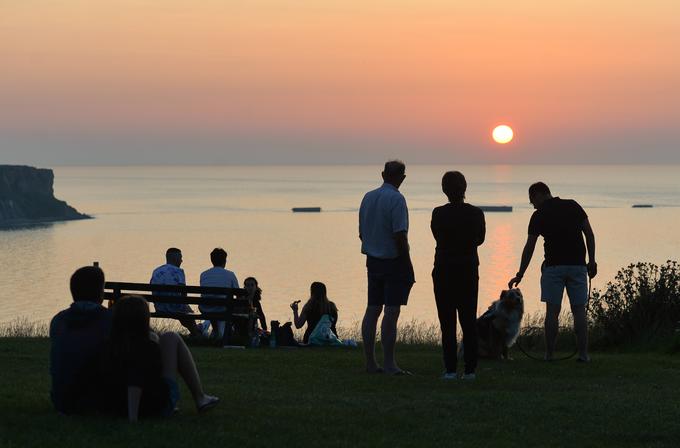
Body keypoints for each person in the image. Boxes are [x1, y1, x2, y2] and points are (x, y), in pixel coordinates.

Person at [508, 182, 597, 362]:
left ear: (539, 194)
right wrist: (592, 261)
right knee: (579, 310)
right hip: (578, 266)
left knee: (552, 312)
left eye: (532, 200)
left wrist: (520, 274)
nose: (532, 205)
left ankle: (549, 355)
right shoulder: (573, 205)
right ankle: (583, 355)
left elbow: (529, 247)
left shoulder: (539, 215)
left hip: (553, 268)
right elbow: (589, 234)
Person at [103, 295, 219, 422]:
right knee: (171, 337)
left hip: (116, 404)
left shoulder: (109, 346)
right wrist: (133, 418)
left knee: (167, 338)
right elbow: (134, 379)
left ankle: (200, 398)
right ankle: (200, 397)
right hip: (155, 406)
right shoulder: (146, 347)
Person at [358, 160, 415, 375]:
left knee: (372, 309)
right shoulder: (397, 199)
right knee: (391, 311)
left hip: (372, 260)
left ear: (383, 174)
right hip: (393, 261)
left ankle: (370, 362)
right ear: (402, 177)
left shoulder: (368, 197)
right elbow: (400, 234)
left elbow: (362, 233)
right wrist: (406, 262)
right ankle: (390, 363)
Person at [431, 171, 485, 380]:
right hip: (468, 270)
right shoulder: (476, 213)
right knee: (468, 321)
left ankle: (450, 369)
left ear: (444, 190)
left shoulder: (438, 213)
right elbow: (480, 239)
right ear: (465, 188)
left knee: (447, 322)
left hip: (444, 269)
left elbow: (436, 235)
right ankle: (470, 369)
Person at [49, 266, 112, 414]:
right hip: (102, 402)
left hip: (63, 402)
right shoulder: (111, 320)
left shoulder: (58, 320)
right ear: (100, 292)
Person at [150, 248, 201, 337]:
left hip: (159, 307)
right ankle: (197, 334)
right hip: (174, 307)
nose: (182, 260)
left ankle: (195, 332)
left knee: (183, 309)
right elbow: (184, 293)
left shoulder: (156, 271)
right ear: (175, 258)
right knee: (186, 310)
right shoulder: (179, 271)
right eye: (180, 257)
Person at [199, 248, 239, 339]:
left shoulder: (204, 274)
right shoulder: (230, 274)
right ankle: (224, 334)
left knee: (214, 304)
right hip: (223, 308)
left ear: (212, 260)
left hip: (205, 307)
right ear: (225, 260)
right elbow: (238, 294)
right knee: (227, 305)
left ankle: (216, 332)